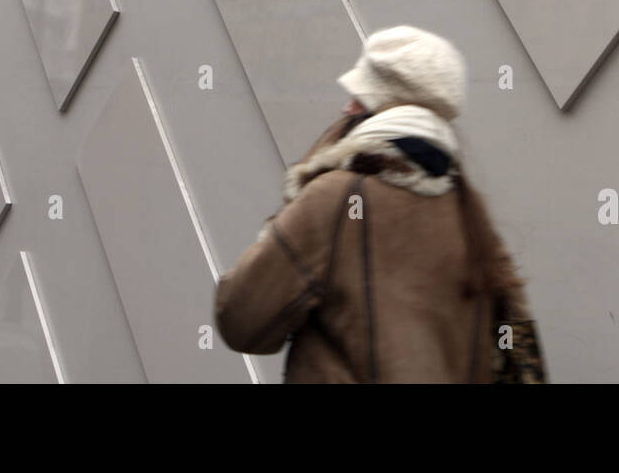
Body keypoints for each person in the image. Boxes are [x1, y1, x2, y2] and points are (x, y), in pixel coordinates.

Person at [214, 25, 542, 383]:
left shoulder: (335, 198)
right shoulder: (470, 215)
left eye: (357, 96)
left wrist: (280, 228)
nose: (345, 106)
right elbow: (515, 353)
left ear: (378, 107)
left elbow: (241, 320)